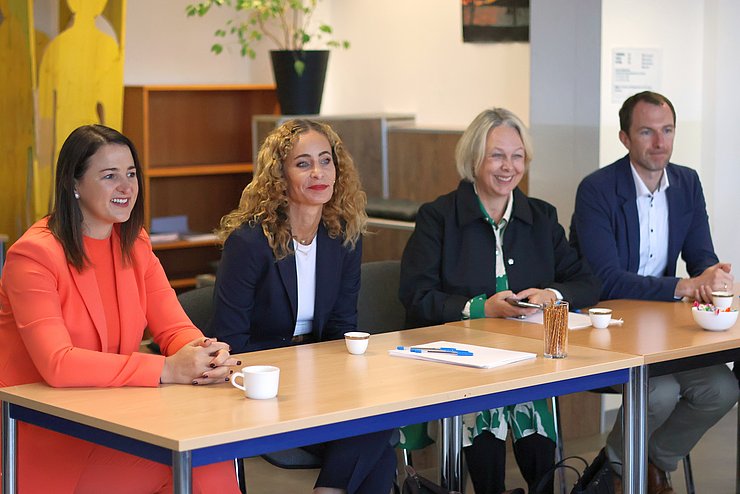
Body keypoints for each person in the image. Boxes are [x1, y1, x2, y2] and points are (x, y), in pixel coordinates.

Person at [0, 125, 241, 493]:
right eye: (110, 176)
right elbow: (58, 363)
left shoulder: (134, 242)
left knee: (208, 454)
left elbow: (173, 327)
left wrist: (203, 355)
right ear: (74, 184)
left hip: (114, 419)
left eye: (131, 174)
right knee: (197, 459)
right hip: (50, 436)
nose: (126, 187)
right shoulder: (34, 255)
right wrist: (167, 368)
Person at [399, 108, 601, 494]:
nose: (508, 167)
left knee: (539, 436)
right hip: (463, 365)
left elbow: (587, 280)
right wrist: (481, 308)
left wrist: (551, 295)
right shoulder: (437, 218)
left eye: (517, 156)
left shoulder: (541, 216)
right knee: (486, 428)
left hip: (528, 363)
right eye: (496, 155)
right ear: (473, 158)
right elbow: (415, 296)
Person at [210, 119, 397, 494]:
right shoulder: (249, 242)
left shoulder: (342, 234)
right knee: (377, 440)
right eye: (303, 163)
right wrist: (300, 374)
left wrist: (329, 380)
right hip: (264, 388)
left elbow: (342, 325)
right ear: (279, 176)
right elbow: (231, 341)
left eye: (326, 161)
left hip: (322, 386)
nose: (318, 173)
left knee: (380, 424)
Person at [570, 91, 738, 494]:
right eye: (647, 132)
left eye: (667, 131)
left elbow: (701, 257)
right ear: (625, 138)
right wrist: (684, 286)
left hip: (665, 328)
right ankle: (624, 473)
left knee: (722, 388)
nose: (660, 143)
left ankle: (643, 465)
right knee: (659, 392)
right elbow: (605, 279)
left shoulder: (686, 182)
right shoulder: (596, 190)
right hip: (608, 328)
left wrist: (714, 279)